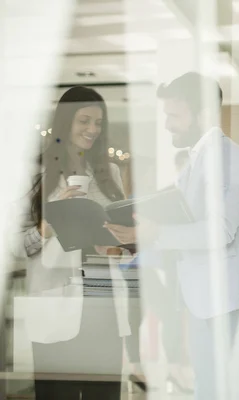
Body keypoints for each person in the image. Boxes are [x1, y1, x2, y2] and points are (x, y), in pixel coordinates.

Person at [105, 72, 239, 400]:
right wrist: (136, 241)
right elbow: (187, 227)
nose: (167, 125)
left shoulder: (227, 157)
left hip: (224, 300)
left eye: (174, 116)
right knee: (209, 387)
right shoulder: (198, 159)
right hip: (205, 299)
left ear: (203, 114)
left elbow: (219, 231)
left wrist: (156, 232)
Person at [12, 86, 128, 399]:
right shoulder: (35, 174)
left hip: (104, 308)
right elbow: (14, 247)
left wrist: (119, 245)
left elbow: (123, 244)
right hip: (55, 307)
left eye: (98, 123)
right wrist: (48, 226)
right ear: (66, 123)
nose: (93, 129)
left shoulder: (111, 174)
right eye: (84, 121)